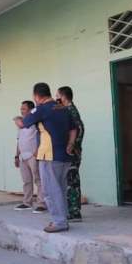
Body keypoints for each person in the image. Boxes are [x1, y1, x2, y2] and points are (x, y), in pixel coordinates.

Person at [21, 83, 76, 233]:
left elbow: (25, 123)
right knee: (61, 189)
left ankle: (59, 222)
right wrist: (71, 144)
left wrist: (26, 114)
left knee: (51, 191)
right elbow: (73, 129)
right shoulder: (63, 108)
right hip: (65, 155)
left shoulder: (41, 109)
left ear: (37, 96)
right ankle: (62, 218)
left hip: (49, 155)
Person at [56, 86, 85, 222]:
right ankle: (71, 211)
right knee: (70, 181)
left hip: (72, 152)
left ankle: (74, 213)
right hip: (71, 151)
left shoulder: (71, 110)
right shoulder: (67, 110)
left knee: (72, 181)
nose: (56, 99)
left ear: (63, 96)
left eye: (57, 96)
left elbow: (79, 128)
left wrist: (73, 145)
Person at [13, 100, 47, 213]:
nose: (21, 111)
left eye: (24, 109)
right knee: (26, 181)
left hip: (33, 155)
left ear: (30, 110)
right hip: (23, 156)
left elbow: (41, 137)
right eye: (21, 108)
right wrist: (16, 156)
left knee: (38, 179)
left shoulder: (35, 122)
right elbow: (19, 141)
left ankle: (42, 203)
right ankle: (27, 202)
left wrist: (37, 152)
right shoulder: (21, 125)